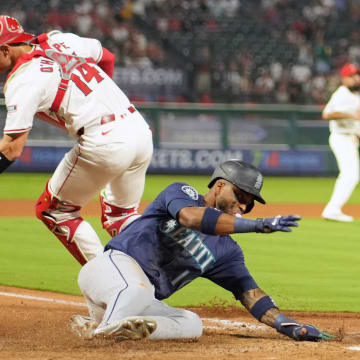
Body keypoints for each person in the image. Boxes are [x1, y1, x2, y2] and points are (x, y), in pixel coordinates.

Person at [69, 160, 333, 342]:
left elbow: (251, 294)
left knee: (191, 323)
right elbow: (191, 218)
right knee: (138, 289)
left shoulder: (227, 251)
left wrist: (290, 326)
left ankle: (111, 327)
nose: (242, 206)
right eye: (240, 196)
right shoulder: (181, 193)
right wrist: (258, 225)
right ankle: (104, 331)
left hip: (138, 297)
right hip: (111, 270)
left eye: (249, 205)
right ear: (219, 185)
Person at [0, 15, 153, 264]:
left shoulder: (22, 79)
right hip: (138, 129)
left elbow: (11, 148)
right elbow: (108, 57)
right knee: (121, 216)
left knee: (54, 211)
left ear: (5, 49)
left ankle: (111, 284)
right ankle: (160, 263)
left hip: (106, 141)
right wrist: (99, 98)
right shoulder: (60, 40)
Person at [321, 63, 360, 222]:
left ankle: (333, 209)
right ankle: (332, 209)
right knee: (351, 175)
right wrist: (350, 115)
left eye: (356, 74)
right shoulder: (341, 94)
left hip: (351, 138)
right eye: (351, 76)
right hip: (340, 137)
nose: (356, 78)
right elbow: (327, 114)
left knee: (351, 175)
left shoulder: (356, 95)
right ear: (344, 79)